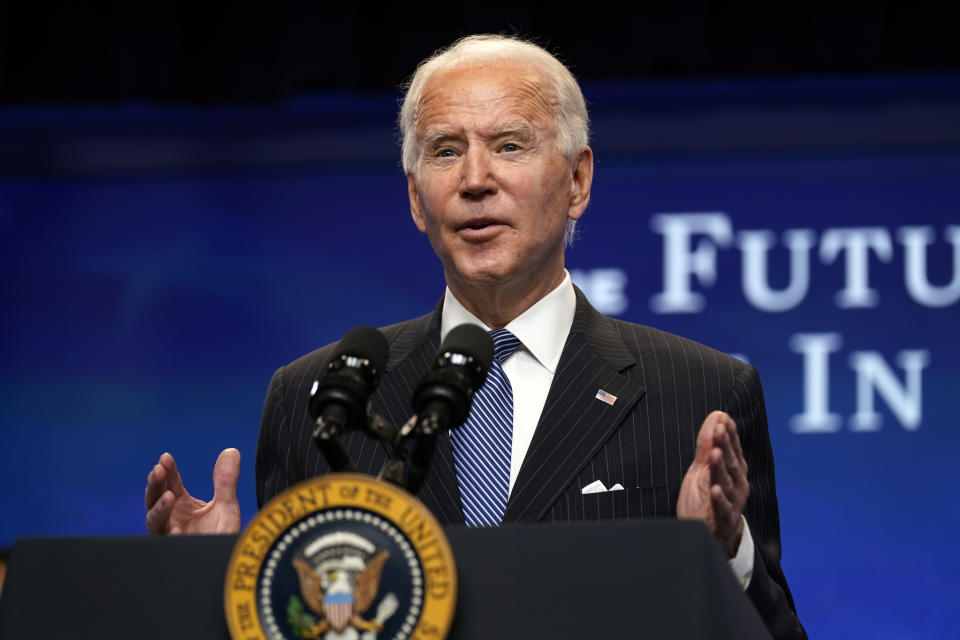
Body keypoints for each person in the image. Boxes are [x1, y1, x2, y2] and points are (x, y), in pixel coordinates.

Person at [145, 35, 806, 639]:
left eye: (510, 145)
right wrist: (207, 587)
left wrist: (723, 555)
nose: (475, 180)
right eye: (446, 150)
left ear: (577, 181)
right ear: (414, 198)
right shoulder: (316, 399)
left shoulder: (699, 391)